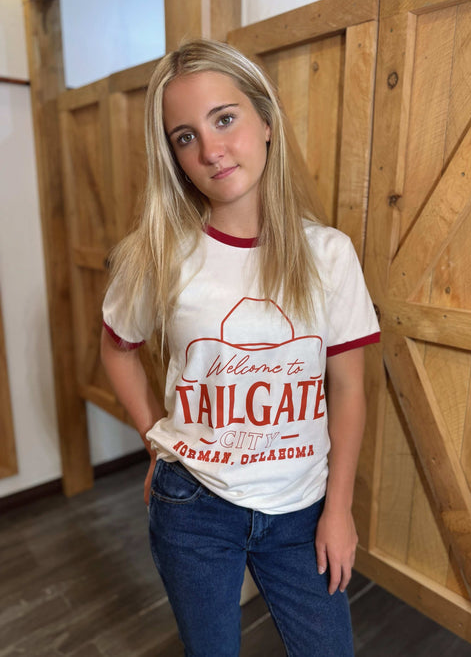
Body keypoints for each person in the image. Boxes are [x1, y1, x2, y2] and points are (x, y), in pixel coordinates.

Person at [100, 38, 380, 657]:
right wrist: (156, 437)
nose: (210, 150)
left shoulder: (328, 254)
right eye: (184, 136)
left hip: (304, 510)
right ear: (173, 156)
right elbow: (117, 349)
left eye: (224, 119)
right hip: (194, 506)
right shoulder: (159, 255)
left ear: (267, 121)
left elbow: (350, 388)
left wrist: (340, 509)